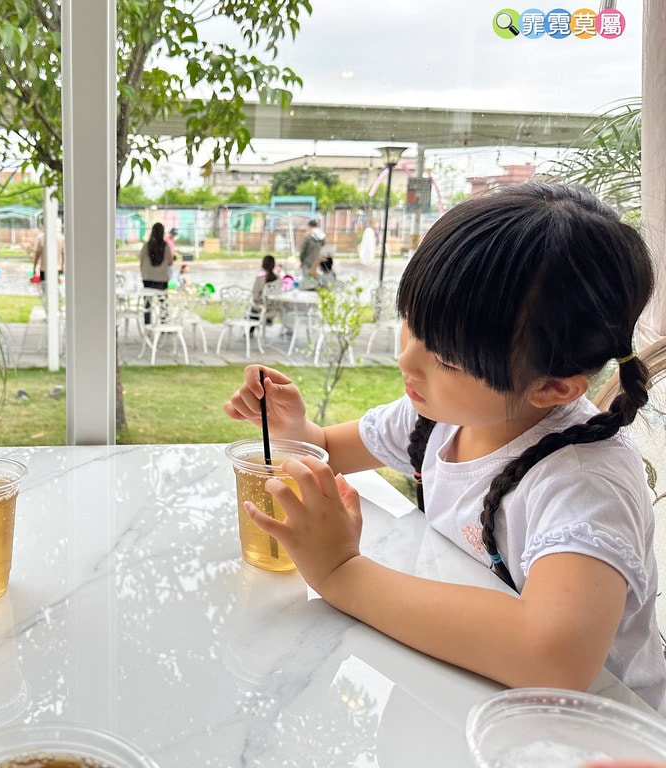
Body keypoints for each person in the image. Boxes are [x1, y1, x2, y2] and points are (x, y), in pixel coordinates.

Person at [223, 183, 666, 715]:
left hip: (592, 731)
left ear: (553, 387)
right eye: (412, 325)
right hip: (465, 701)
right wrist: (295, 429)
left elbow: (555, 658)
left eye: (448, 360)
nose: (408, 361)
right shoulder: (438, 415)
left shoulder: (582, 480)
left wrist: (341, 571)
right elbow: (327, 449)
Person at [139, 222, 174, 324]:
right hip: (161, 279)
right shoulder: (165, 246)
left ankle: (147, 325)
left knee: (147, 303)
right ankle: (164, 323)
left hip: (147, 278)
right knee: (163, 302)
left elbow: (141, 262)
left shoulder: (146, 246)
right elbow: (170, 262)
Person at [248, 253, 280, 327]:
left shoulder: (260, 278)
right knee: (256, 309)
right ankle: (267, 320)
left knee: (253, 309)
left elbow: (255, 295)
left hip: (262, 307)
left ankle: (250, 331)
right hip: (273, 307)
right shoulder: (278, 279)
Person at [297, 218, 325, 285]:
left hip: (308, 261)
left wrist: (301, 260)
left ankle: (310, 285)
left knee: (309, 276)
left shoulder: (308, 237)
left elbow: (303, 250)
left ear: (309, 226)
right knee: (315, 275)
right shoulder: (322, 237)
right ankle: (315, 285)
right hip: (318, 261)